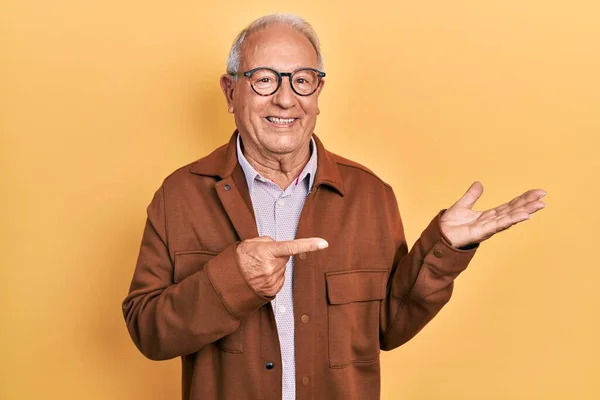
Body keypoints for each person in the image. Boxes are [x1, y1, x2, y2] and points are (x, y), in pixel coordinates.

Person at [122, 13, 546, 400]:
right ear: (230, 91)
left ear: (318, 91)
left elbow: (389, 327)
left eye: (302, 79)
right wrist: (233, 279)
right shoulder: (179, 195)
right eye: (264, 79)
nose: (286, 99)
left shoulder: (370, 195)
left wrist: (444, 248)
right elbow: (148, 332)